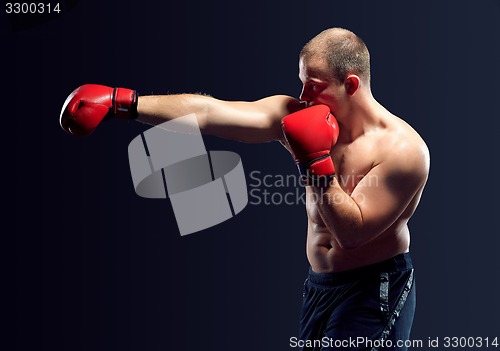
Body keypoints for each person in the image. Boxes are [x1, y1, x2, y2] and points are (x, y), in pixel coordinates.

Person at [60, 28, 430, 350]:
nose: (302, 96)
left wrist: (315, 163)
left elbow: (351, 234)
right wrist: (124, 103)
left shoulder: (402, 151)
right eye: (301, 82)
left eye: (314, 87)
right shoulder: (300, 112)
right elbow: (210, 113)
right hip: (319, 287)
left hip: (373, 287)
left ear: (350, 84)